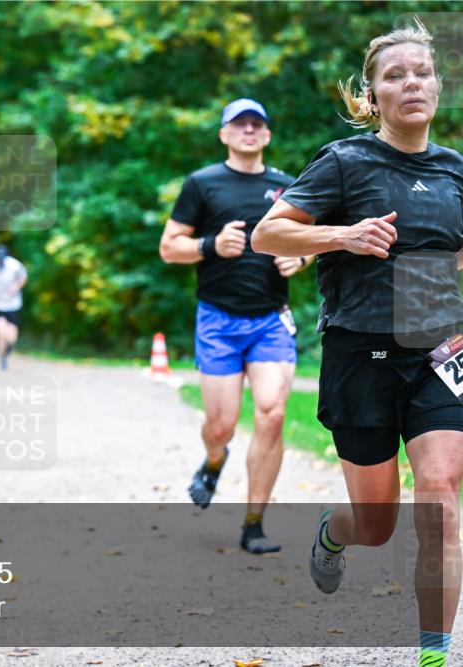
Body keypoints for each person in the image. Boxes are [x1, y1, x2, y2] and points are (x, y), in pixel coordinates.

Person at [251, 20, 463, 667]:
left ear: (438, 85)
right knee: (377, 524)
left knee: (442, 492)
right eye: (394, 75)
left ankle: (433, 656)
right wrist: (342, 236)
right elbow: (267, 234)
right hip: (361, 355)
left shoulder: (456, 171)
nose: (410, 83)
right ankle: (333, 531)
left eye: (421, 72)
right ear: (372, 96)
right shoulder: (345, 162)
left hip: (436, 354)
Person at [158, 98, 314, 554]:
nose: (248, 130)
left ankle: (253, 524)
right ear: (224, 134)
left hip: (270, 319)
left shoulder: (286, 187)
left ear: (266, 135)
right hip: (218, 320)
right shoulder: (202, 184)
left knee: (272, 413)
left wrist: (300, 258)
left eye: (256, 124)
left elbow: (310, 240)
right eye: (239, 124)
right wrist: (210, 244)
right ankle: (213, 459)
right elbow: (169, 248)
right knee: (221, 425)